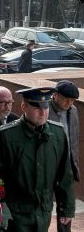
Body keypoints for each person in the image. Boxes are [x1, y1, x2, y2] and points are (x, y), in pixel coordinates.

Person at [0, 87, 75, 231]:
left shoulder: (58, 133)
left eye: (46, 106)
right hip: (15, 214)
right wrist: (1, 213)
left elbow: (65, 174)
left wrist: (66, 208)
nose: (42, 112)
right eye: (36, 107)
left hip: (44, 212)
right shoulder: (6, 135)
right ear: (24, 106)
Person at [49, 80, 80, 232]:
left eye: (73, 100)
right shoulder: (44, 109)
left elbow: (74, 138)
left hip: (66, 164)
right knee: (45, 206)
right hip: (48, 165)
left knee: (66, 207)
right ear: (55, 95)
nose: (70, 103)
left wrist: (74, 164)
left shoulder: (73, 110)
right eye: (66, 99)